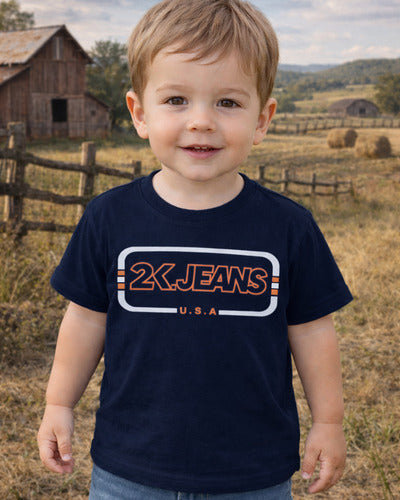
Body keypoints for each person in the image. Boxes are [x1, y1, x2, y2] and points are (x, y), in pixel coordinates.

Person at [37, 0, 353, 498]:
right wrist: (58, 404)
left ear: (262, 119)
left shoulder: (289, 227)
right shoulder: (109, 218)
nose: (202, 121)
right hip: (129, 469)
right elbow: (85, 320)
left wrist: (329, 421)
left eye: (227, 103)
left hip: (252, 472)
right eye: (177, 99)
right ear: (139, 113)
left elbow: (313, 331)